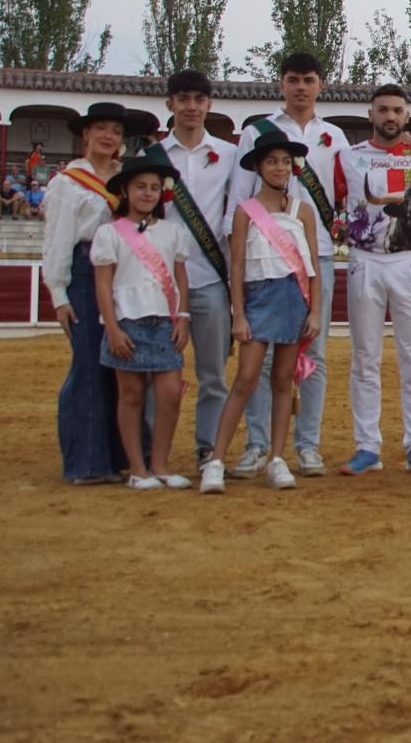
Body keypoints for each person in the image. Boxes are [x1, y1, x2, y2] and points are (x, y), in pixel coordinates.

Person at [227, 52, 349, 480]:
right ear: (281, 83)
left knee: (312, 352)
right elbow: (239, 197)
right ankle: (258, 444)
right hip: (264, 258)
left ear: (321, 85)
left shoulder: (335, 137)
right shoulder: (256, 132)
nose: (301, 87)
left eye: (308, 79)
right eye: (293, 79)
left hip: (313, 254)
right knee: (259, 357)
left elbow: (346, 196)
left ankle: (307, 445)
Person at [327, 84, 411, 476]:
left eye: (397, 110)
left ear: (407, 116)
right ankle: (367, 446)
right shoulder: (347, 158)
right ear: (371, 115)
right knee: (365, 357)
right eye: (383, 110)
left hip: (409, 258)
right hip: (364, 259)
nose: (390, 117)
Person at [200, 130, 322, 494]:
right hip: (257, 298)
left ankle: (278, 458)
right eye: (272, 161)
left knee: (284, 380)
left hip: (293, 297)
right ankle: (217, 461)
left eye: (286, 161)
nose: (280, 167)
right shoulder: (244, 212)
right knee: (246, 378)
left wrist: (315, 311)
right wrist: (238, 314)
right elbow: (236, 267)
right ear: (258, 167)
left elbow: (312, 265)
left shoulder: (304, 211)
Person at [44, 102, 153, 484]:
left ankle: (123, 456)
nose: (109, 136)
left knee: (123, 365)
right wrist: (59, 293)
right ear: (85, 135)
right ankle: (86, 463)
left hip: (128, 273)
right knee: (90, 364)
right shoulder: (67, 182)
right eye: (101, 129)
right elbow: (58, 241)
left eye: (116, 131)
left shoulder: (128, 178)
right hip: (86, 271)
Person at [151, 69, 238, 469]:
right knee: (155, 371)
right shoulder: (151, 158)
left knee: (213, 374)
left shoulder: (229, 157)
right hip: (157, 281)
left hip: (210, 277)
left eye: (198, 100)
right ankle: (153, 447)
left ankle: (209, 447)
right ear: (169, 104)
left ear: (209, 104)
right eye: (183, 99)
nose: (191, 107)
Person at [92, 150, 192, 490]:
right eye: (139, 187)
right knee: (131, 395)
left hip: (165, 321)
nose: (147, 193)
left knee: (169, 395)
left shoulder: (172, 231)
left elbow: (181, 279)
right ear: (125, 192)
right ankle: (138, 469)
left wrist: (183, 317)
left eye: (153, 187)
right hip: (128, 322)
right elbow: (103, 285)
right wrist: (113, 328)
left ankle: (160, 464)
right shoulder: (109, 233)